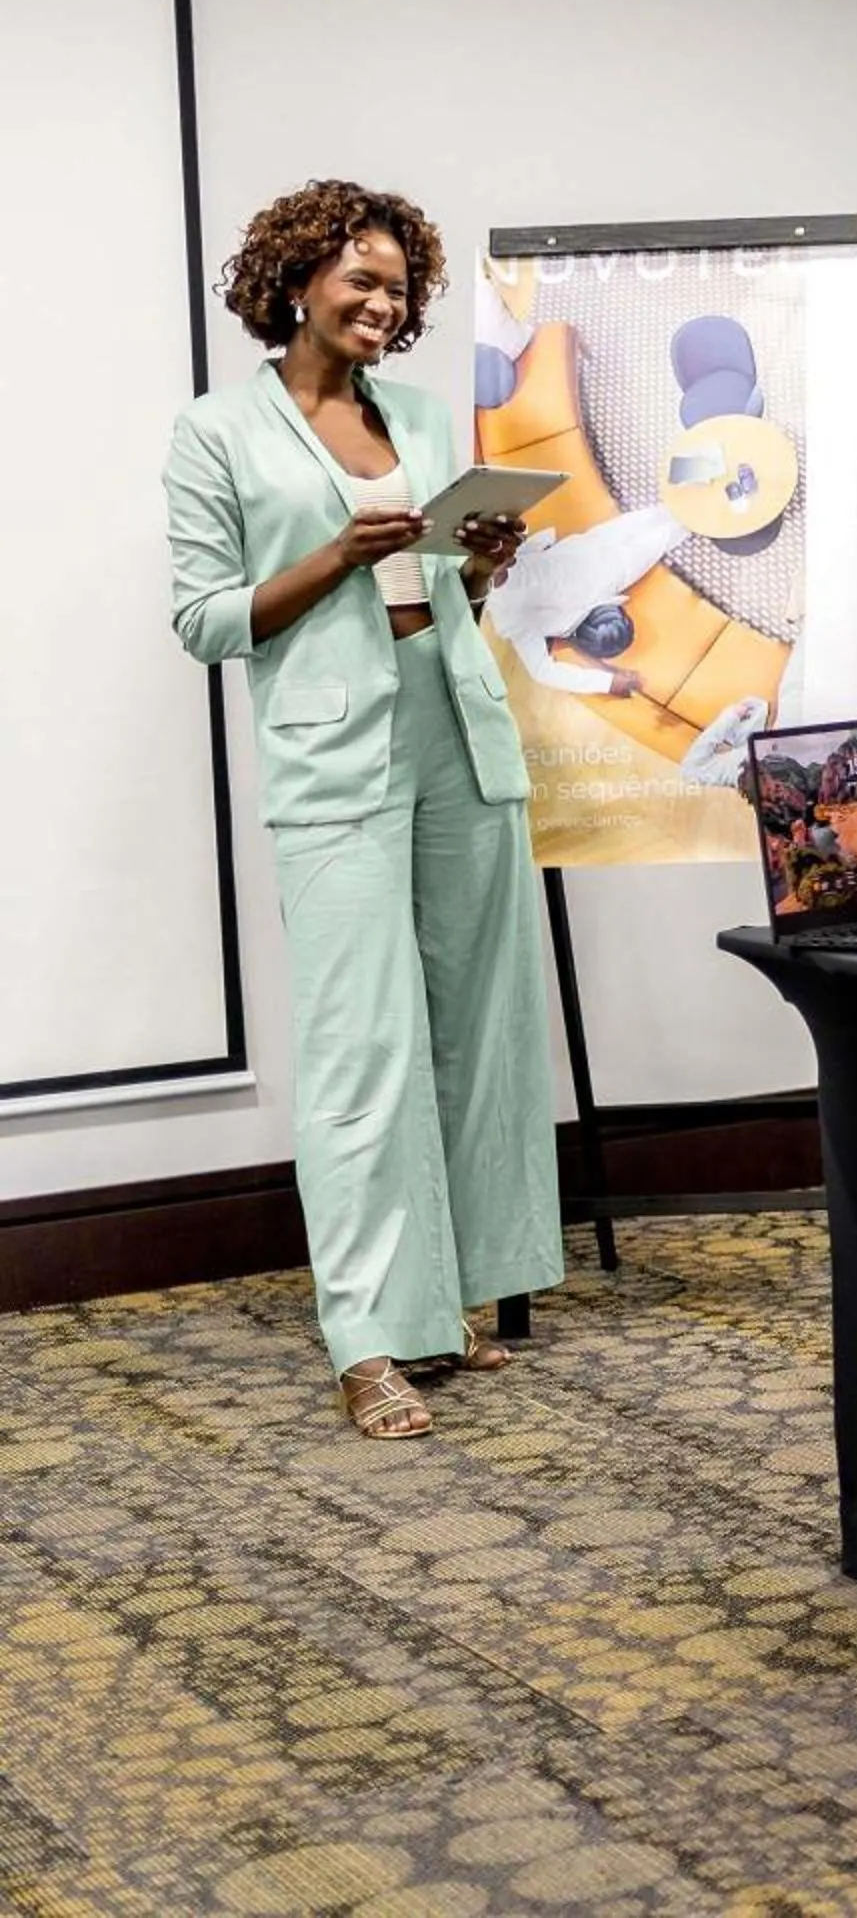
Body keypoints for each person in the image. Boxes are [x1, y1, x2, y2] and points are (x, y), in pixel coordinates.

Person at [163, 180, 565, 1439]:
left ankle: (454, 1301)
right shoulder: (217, 432)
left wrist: (481, 563)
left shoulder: (430, 419)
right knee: (360, 1050)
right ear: (297, 282)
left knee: (476, 1027)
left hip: (454, 729)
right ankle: (366, 1338)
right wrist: (337, 554)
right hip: (334, 753)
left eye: (400, 288)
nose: (384, 305)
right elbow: (204, 620)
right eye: (363, 281)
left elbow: (448, 592)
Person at [480, 502, 687, 698]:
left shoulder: (510, 557)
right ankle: (700, 520)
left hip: (589, 547)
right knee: (666, 534)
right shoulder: (511, 618)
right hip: (607, 579)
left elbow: (523, 546)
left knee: (649, 517)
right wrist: (608, 683)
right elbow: (542, 671)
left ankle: (690, 505)